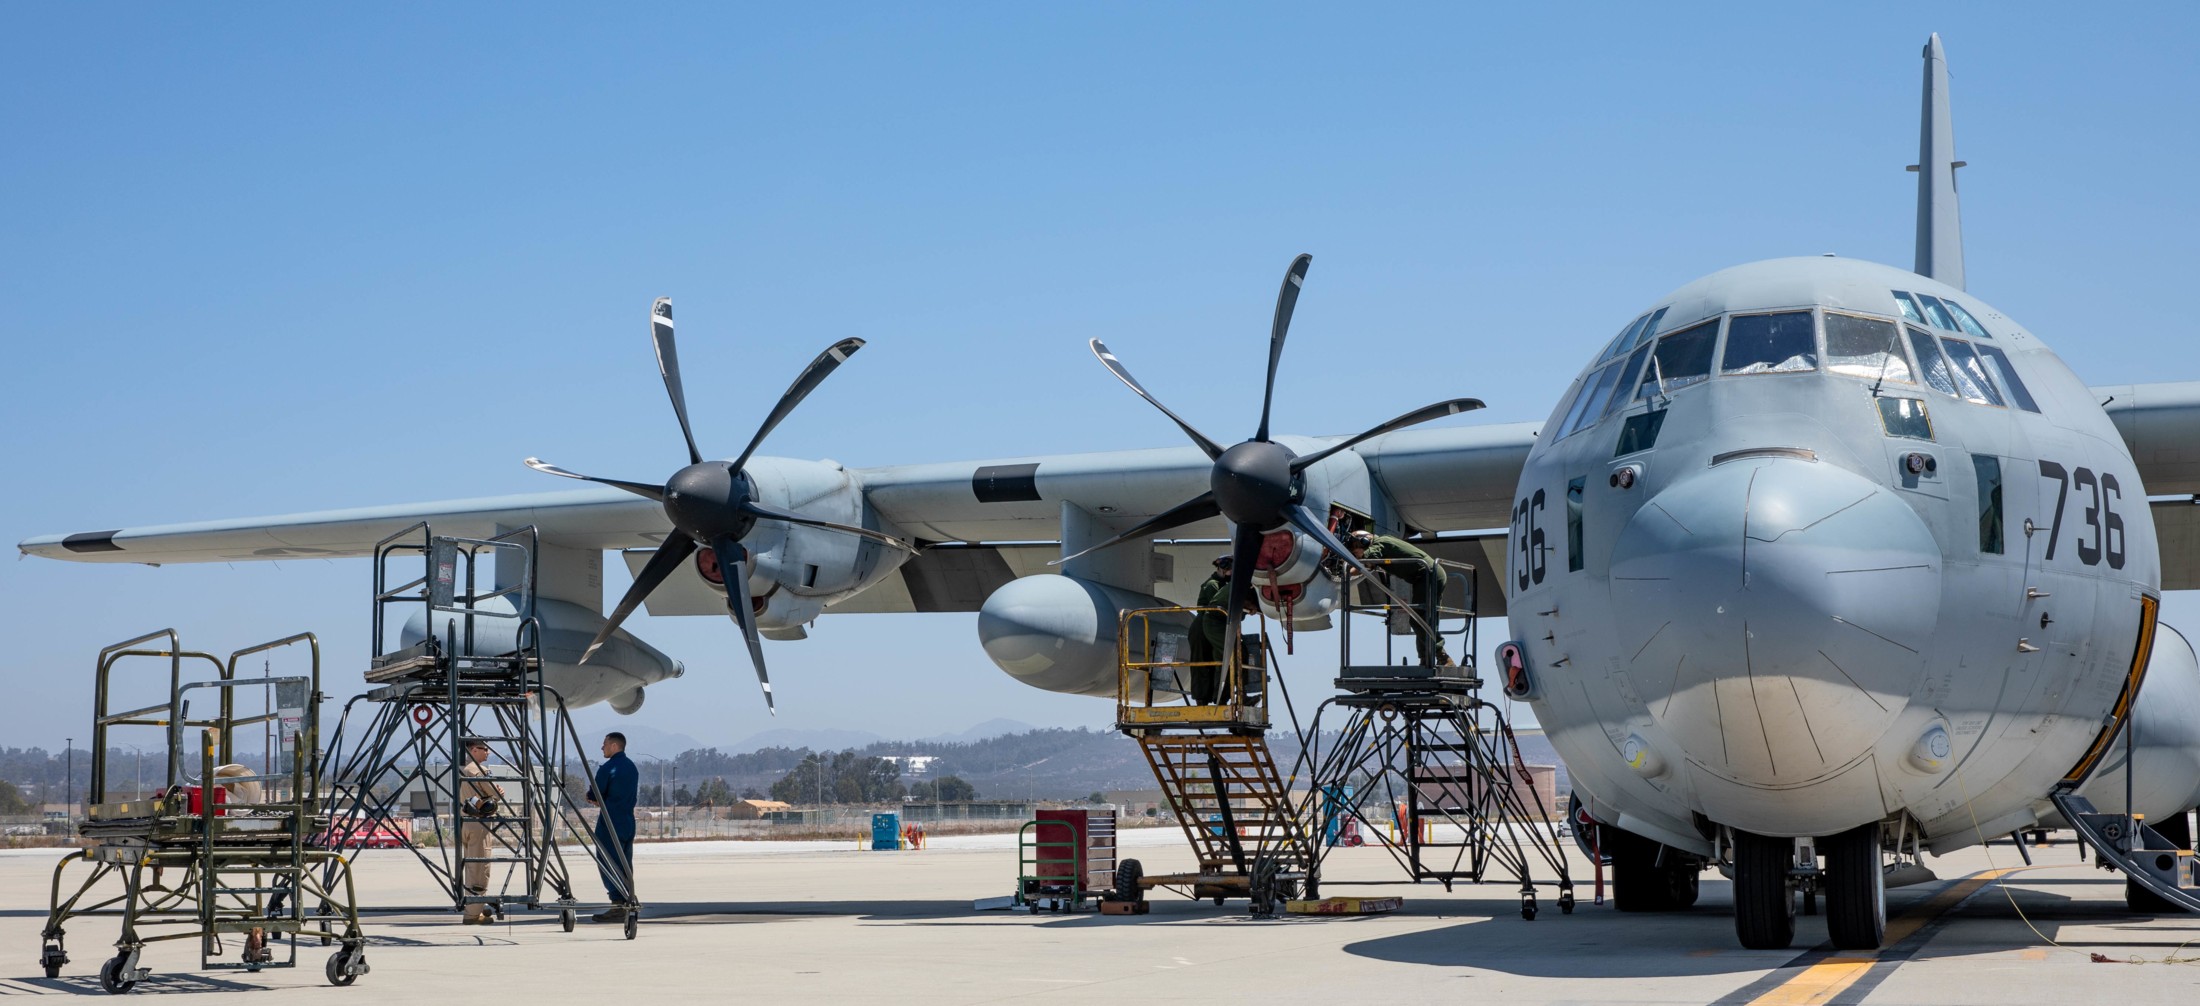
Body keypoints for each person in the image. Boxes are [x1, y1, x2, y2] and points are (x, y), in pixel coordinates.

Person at [1344, 530, 1449, 666]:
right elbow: (1367, 564)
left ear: (1364, 541)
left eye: (1356, 547)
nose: (1355, 551)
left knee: (1418, 620)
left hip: (1428, 575)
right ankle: (1426, 660)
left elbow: (1363, 563)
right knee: (1425, 619)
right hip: (1429, 575)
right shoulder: (1383, 542)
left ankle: (1442, 656)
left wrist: (1344, 569)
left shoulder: (1380, 544)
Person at [588, 732, 639, 922]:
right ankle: (628, 896)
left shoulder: (608, 768)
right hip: (628, 820)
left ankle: (618, 903)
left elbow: (594, 795)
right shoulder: (632, 767)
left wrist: (592, 797)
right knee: (625, 862)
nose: (602, 747)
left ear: (615, 746)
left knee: (608, 862)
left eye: (605, 744)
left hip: (610, 821)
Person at [457, 738, 501, 925]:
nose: (488, 753)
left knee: (471, 866)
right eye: (485, 749)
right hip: (479, 823)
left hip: (467, 822)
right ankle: (472, 914)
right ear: (474, 750)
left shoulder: (463, 770)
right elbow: (497, 793)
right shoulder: (477, 771)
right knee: (480, 868)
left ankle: (474, 905)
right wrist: (496, 792)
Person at [1187, 555, 1236, 704]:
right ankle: (1202, 699)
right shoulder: (1212, 585)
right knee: (1201, 663)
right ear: (1223, 569)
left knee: (1216, 662)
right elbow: (1217, 605)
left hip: (1213, 625)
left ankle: (1217, 697)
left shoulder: (1222, 583)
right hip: (1202, 627)